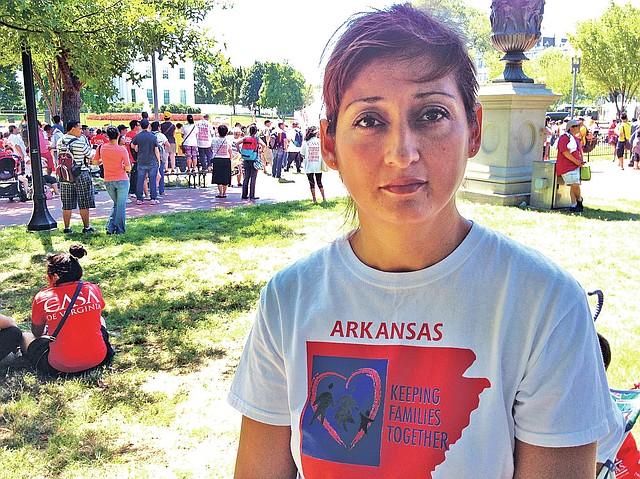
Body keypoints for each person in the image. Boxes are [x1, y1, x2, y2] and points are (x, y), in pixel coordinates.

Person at [228, 6, 619, 478]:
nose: (402, 152)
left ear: (473, 130)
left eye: (432, 114)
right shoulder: (287, 301)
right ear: (328, 145)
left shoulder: (546, 305)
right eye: (370, 120)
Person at [21, 245, 115, 377]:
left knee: (26, 337)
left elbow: (36, 333)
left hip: (60, 366)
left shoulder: (42, 297)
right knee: (100, 319)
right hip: (99, 358)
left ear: (54, 276)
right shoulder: (92, 289)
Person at [58, 120, 97, 234]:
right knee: (84, 202)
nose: (81, 131)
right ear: (72, 129)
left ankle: (67, 227)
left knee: (66, 203)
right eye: (79, 128)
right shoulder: (79, 143)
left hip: (65, 174)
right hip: (80, 173)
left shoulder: (61, 141)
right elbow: (90, 155)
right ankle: (86, 227)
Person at [94, 126, 131, 234]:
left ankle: (110, 227)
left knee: (116, 204)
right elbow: (128, 168)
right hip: (122, 179)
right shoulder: (122, 149)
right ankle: (120, 230)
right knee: (120, 206)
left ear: (107, 136)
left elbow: (95, 162)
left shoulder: (101, 148)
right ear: (118, 135)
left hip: (108, 180)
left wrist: (103, 161)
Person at [556, 119, 586, 213]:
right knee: (575, 185)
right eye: (576, 126)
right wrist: (576, 161)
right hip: (567, 166)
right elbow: (565, 152)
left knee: (574, 186)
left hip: (575, 165)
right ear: (571, 128)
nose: (578, 128)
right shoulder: (564, 138)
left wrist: (579, 161)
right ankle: (579, 201)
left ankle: (574, 205)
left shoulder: (575, 138)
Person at [131, 119, 160, 205]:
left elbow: (133, 145)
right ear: (148, 126)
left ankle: (139, 199)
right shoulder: (153, 137)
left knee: (140, 180)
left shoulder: (138, 136)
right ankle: (153, 198)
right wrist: (158, 161)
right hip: (151, 161)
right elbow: (156, 150)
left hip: (141, 161)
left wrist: (137, 148)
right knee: (152, 180)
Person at [236, 124, 265, 201]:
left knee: (246, 178)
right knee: (253, 178)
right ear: (255, 132)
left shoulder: (245, 138)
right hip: (254, 159)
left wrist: (240, 151)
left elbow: (237, 143)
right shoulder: (257, 139)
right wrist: (261, 151)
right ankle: (252, 195)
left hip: (246, 159)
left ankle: (244, 194)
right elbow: (264, 145)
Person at [300, 126, 327, 203]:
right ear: (316, 133)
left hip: (309, 165)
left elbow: (302, 154)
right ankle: (324, 198)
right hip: (318, 164)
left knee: (311, 183)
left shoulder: (305, 142)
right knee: (319, 182)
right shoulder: (320, 141)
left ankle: (314, 200)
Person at [211, 124, 232, 198]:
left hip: (217, 159)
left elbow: (211, 148)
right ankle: (225, 193)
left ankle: (220, 193)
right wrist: (231, 160)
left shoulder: (214, 140)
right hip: (226, 159)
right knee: (225, 176)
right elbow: (230, 151)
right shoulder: (228, 141)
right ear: (226, 132)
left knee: (218, 176)